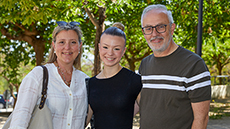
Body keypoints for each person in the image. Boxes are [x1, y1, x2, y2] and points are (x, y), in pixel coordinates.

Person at [138, 4, 211, 129]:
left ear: (172, 28)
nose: (154, 34)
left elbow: (201, 119)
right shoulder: (144, 64)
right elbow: (142, 104)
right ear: (143, 32)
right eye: (148, 28)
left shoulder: (194, 64)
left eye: (161, 27)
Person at [9, 21, 89, 129]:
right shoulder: (39, 75)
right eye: (62, 42)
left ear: (79, 46)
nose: (67, 47)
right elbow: (20, 119)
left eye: (73, 42)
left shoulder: (85, 81)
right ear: (54, 46)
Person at [86, 22, 142, 129]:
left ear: (123, 51)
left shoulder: (134, 80)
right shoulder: (91, 83)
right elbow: (83, 121)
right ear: (99, 47)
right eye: (106, 47)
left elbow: (148, 115)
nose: (110, 53)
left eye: (116, 48)